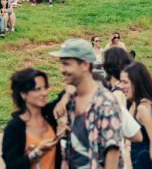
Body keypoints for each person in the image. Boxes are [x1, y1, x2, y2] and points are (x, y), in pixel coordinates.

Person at [49, 37, 122, 168]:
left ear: (85, 65)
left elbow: (112, 153)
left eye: (66, 64)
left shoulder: (105, 103)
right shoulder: (72, 99)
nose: (61, 69)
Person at [2, 68, 61, 169]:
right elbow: (12, 166)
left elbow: (67, 94)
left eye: (45, 88)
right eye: (38, 89)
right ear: (23, 94)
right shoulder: (14, 128)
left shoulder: (48, 115)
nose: (44, 93)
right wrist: (37, 152)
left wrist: (67, 95)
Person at [120, 62, 152, 169]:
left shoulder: (143, 108)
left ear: (136, 83)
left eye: (125, 82)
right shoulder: (134, 105)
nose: (121, 86)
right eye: (120, 82)